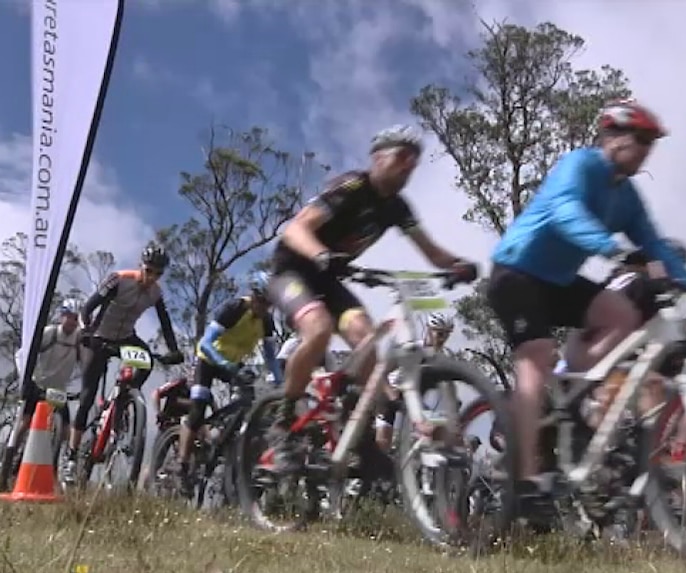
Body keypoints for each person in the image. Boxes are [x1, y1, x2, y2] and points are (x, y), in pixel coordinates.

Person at [485, 99, 686, 506]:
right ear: (611, 135)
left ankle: (571, 402)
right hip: (515, 272)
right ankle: (525, 481)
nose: (645, 149)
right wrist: (610, 248)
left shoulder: (627, 196)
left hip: (558, 281)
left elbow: (656, 245)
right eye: (639, 139)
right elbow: (564, 210)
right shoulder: (580, 164)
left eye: (651, 142)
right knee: (536, 354)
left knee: (621, 314)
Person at [265, 124, 479, 472]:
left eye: (415, 160)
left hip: (329, 277)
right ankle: (282, 419)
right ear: (378, 157)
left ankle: (360, 436)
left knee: (367, 339)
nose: (409, 164)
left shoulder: (398, 208)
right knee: (318, 330)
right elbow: (295, 229)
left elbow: (431, 252)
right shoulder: (351, 188)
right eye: (402, 156)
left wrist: (458, 265)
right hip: (291, 273)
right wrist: (320, 254)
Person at [63, 245, 184, 483]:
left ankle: (123, 403)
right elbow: (88, 308)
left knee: (147, 362)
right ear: (141, 266)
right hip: (97, 337)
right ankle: (71, 456)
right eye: (149, 271)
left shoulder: (156, 293)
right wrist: (86, 330)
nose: (151, 278)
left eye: (157, 274)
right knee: (87, 398)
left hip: (125, 338)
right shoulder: (119, 280)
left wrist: (174, 350)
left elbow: (166, 323)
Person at [175, 271, 283, 495]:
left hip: (233, 366)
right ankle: (182, 465)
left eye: (269, 304)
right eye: (262, 301)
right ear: (253, 295)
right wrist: (224, 363)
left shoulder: (266, 321)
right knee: (198, 410)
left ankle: (225, 446)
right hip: (208, 360)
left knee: (249, 408)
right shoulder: (234, 309)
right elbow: (205, 343)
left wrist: (279, 384)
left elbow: (271, 357)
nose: (265, 307)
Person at [1, 298, 87, 489]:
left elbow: (85, 364)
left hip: (59, 390)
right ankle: (7, 462)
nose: (72, 322)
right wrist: (25, 376)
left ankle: (55, 467)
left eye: (75, 318)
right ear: (61, 316)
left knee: (65, 431)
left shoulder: (78, 340)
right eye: (69, 317)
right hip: (38, 384)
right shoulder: (50, 333)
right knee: (23, 424)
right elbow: (24, 352)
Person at [374, 311, 456, 453]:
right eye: (440, 333)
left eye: (447, 334)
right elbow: (381, 372)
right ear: (429, 330)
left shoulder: (442, 358)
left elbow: (449, 387)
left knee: (439, 430)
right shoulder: (412, 350)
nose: (443, 339)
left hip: (411, 399)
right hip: (390, 394)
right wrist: (391, 395)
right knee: (383, 445)